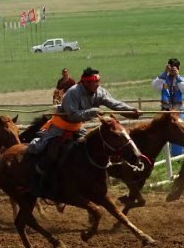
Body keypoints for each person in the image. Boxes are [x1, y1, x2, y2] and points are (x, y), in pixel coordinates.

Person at [28, 67, 141, 195]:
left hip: (77, 127)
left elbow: (115, 104)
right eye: (94, 82)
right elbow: (73, 116)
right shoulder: (72, 93)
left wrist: (131, 111)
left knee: (90, 148)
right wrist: (92, 111)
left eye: (98, 81)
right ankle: (38, 179)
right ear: (86, 82)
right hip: (60, 125)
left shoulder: (100, 92)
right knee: (40, 147)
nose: (97, 84)